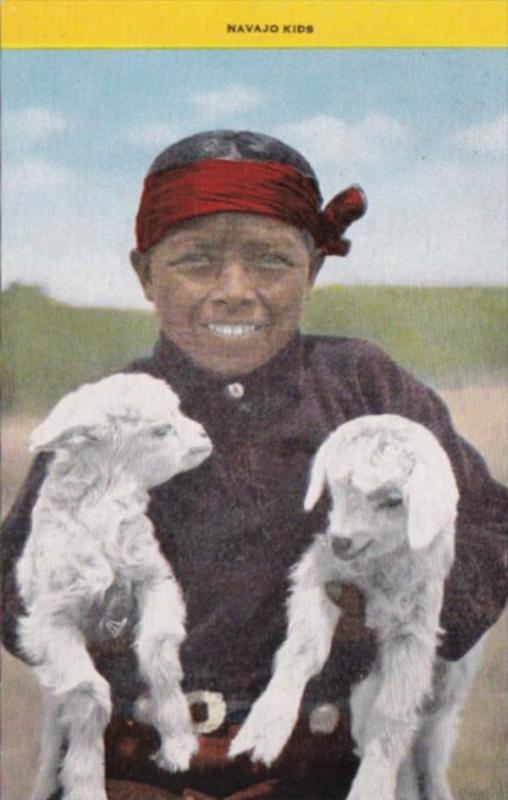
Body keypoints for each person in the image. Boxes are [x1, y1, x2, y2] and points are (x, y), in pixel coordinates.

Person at [2, 130, 507, 800]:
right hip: (137, 775)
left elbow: (486, 525)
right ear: (145, 274)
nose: (235, 290)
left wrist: (377, 608)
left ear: (313, 270)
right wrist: (111, 625)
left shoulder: (362, 384)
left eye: (271, 261)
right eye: (196, 261)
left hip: (325, 773)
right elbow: (16, 581)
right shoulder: (114, 410)